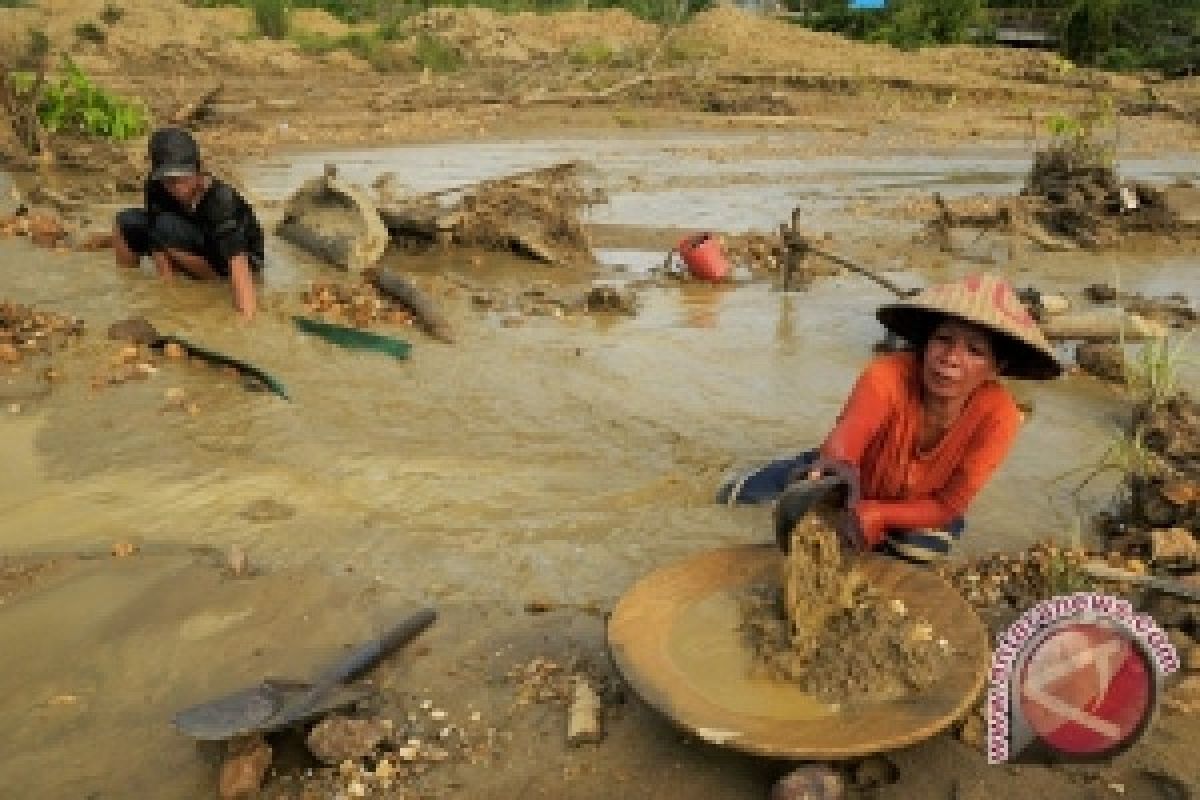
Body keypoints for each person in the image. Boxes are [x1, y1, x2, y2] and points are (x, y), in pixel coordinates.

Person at [718, 273, 1062, 564]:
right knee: (732, 499)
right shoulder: (887, 375)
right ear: (925, 344)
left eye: (974, 351)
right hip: (848, 481)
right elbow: (846, 440)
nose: (951, 359)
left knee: (918, 551)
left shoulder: (999, 415)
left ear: (995, 367)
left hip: (918, 507)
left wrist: (880, 515)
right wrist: (838, 480)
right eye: (943, 340)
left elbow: (949, 503)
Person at [113, 127, 263, 320]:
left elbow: (238, 263)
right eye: (168, 181)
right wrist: (168, 292)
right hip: (187, 243)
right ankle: (128, 284)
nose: (176, 188)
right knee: (126, 221)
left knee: (164, 225)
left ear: (198, 171)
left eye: (183, 179)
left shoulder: (221, 201)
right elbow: (155, 238)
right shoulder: (156, 186)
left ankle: (209, 282)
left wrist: (247, 320)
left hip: (237, 259)